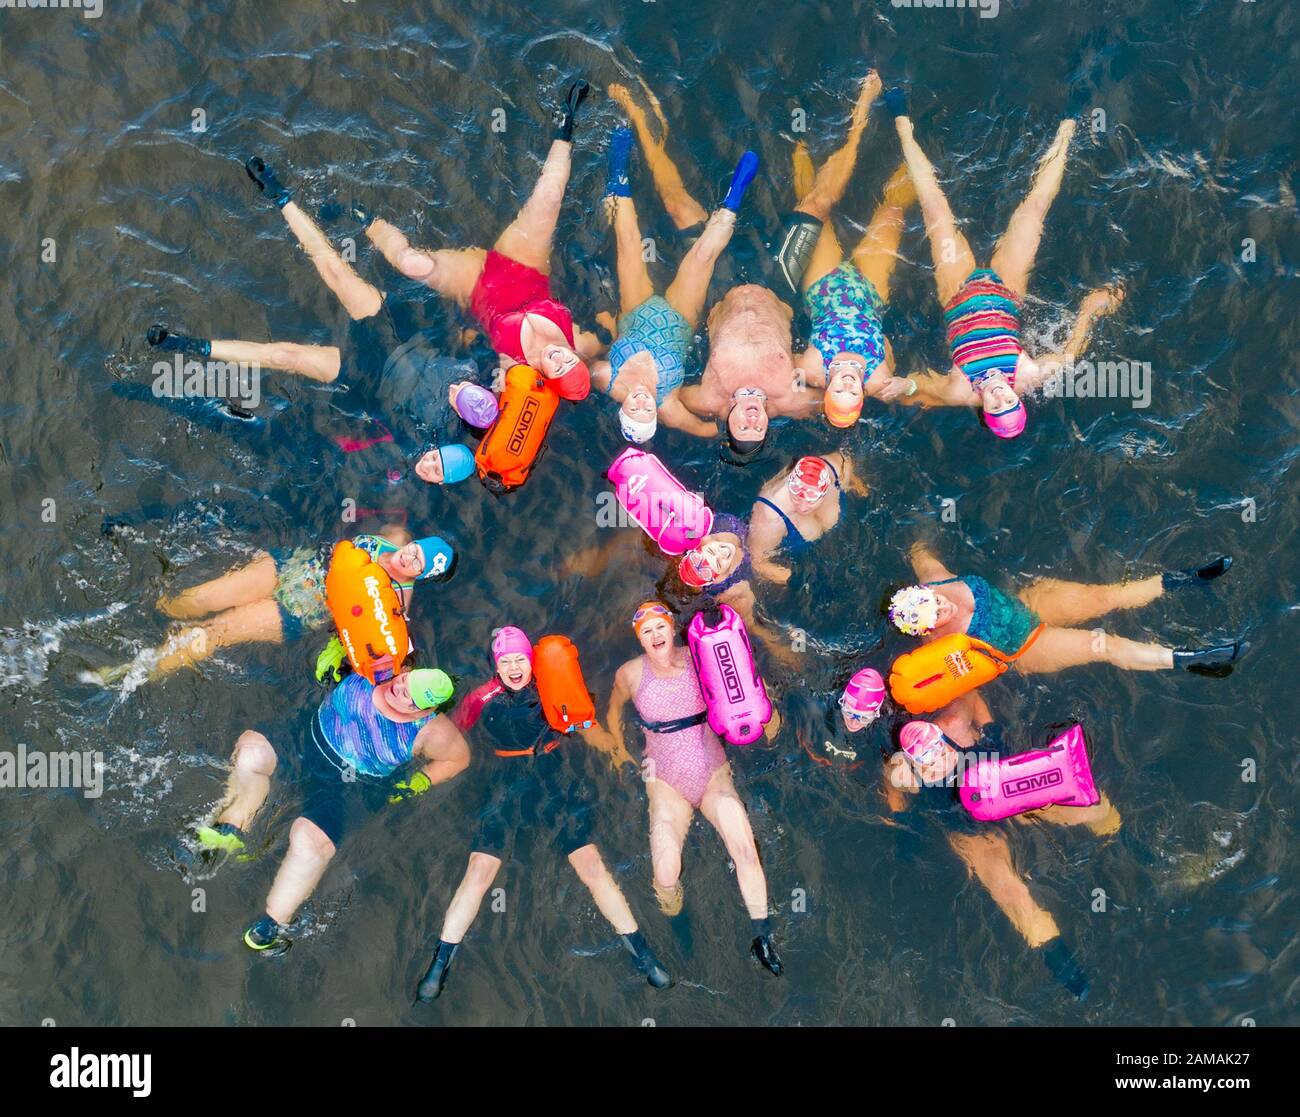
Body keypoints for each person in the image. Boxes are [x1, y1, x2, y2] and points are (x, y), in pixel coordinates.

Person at [146, 156, 477, 482]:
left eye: (434, 470)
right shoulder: (470, 374)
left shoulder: (420, 441)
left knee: (284, 356)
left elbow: (384, 456)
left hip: (364, 377)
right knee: (335, 270)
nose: (429, 465)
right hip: (391, 334)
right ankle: (283, 197)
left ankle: (191, 345)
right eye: (436, 461)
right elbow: (467, 342)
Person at [612, 72, 885, 452]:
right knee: (817, 207)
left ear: (728, 421)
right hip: (776, 281)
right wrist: (847, 464)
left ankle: (639, 116)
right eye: (757, 429)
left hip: (718, 284)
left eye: (742, 426)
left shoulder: (706, 398)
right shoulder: (790, 399)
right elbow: (845, 414)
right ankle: (862, 114)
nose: (752, 420)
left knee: (678, 208)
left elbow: (656, 399)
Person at [415, 625, 672, 999]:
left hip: (554, 778)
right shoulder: (481, 698)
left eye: (521, 658)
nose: (515, 667)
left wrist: (618, 753)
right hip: (505, 782)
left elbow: (585, 725)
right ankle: (440, 962)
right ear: (496, 666)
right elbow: (448, 736)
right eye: (506, 661)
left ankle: (641, 954)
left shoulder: (550, 687)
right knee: (479, 871)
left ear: (532, 661)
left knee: (591, 866)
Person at [883, 90, 1125, 436]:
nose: (999, 396)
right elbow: (1070, 357)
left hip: (958, 290)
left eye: (995, 406)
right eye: (1009, 402)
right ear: (1017, 398)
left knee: (935, 207)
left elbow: (917, 387)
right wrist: (1093, 308)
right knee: (1035, 210)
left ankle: (902, 122)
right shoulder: (1028, 375)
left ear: (985, 410)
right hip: (1007, 289)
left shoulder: (959, 390)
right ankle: (1069, 125)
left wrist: (901, 387)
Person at [193, 665, 470, 955]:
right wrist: (334, 657)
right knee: (251, 752)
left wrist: (419, 782)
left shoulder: (432, 731)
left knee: (311, 842)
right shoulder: (377, 667)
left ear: (424, 710)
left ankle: (272, 923)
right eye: (402, 681)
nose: (396, 689)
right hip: (306, 738)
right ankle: (232, 828)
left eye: (407, 696)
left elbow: (458, 759)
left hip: (348, 787)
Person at [365, 80, 602, 403]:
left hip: (474, 283)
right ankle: (568, 123)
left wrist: (479, 390)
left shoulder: (516, 366)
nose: (561, 357)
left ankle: (367, 222)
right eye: (569, 361)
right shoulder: (578, 342)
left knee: (412, 264)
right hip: (523, 263)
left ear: (547, 378)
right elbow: (606, 339)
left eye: (558, 368)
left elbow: (494, 400)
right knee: (548, 196)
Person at [881, 694, 1122, 999]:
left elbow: (972, 697)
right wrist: (903, 828)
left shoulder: (955, 723)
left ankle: (1126, 842)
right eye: (928, 760)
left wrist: (992, 730)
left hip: (1003, 792)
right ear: (912, 760)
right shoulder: (903, 771)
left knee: (1090, 807)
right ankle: (1071, 976)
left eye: (939, 749)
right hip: (970, 830)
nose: (939, 760)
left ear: (941, 736)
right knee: (1010, 892)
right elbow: (893, 793)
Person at [592, 601, 782, 974]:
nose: (655, 635)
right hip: (665, 782)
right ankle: (680, 925)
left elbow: (746, 686)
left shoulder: (702, 657)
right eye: (646, 632)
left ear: (672, 628)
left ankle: (762, 935)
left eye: (660, 627)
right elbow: (613, 711)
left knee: (743, 846)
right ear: (640, 641)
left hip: (713, 774)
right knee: (665, 872)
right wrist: (616, 749)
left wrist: (769, 721)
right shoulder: (630, 674)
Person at [89, 526, 454, 685]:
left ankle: (130, 671)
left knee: (214, 633)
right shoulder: (394, 538)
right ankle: (139, 605)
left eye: (419, 564)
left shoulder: (399, 598)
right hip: (292, 567)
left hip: (297, 611)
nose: (409, 557)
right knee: (198, 598)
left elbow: (373, 637)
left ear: (421, 576)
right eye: (417, 550)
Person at [589, 128, 758, 440]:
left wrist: (606, 329)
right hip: (680, 319)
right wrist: (743, 424)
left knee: (628, 242)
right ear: (656, 414)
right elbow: (710, 432)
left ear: (621, 410)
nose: (641, 403)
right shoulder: (669, 406)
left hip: (636, 311)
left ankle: (618, 175)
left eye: (632, 410)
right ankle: (733, 199)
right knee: (702, 256)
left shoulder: (604, 378)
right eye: (646, 411)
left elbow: (579, 361)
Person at [889, 542, 1247, 674]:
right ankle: (1188, 659)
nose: (944, 607)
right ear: (927, 631)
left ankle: (1188, 579)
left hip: (1024, 602)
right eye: (935, 615)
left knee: (1106, 597)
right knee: (1103, 645)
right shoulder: (938, 648)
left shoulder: (934, 578)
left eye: (935, 601)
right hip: (1028, 646)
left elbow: (916, 545)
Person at [748, 453, 868, 584]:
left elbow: (846, 460)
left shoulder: (833, 467)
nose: (803, 507)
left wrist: (857, 484)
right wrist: (793, 579)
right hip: (806, 557)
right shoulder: (771, 514)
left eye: (811, 499)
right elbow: (756, 561)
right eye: (796, 496)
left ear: (824, 492)